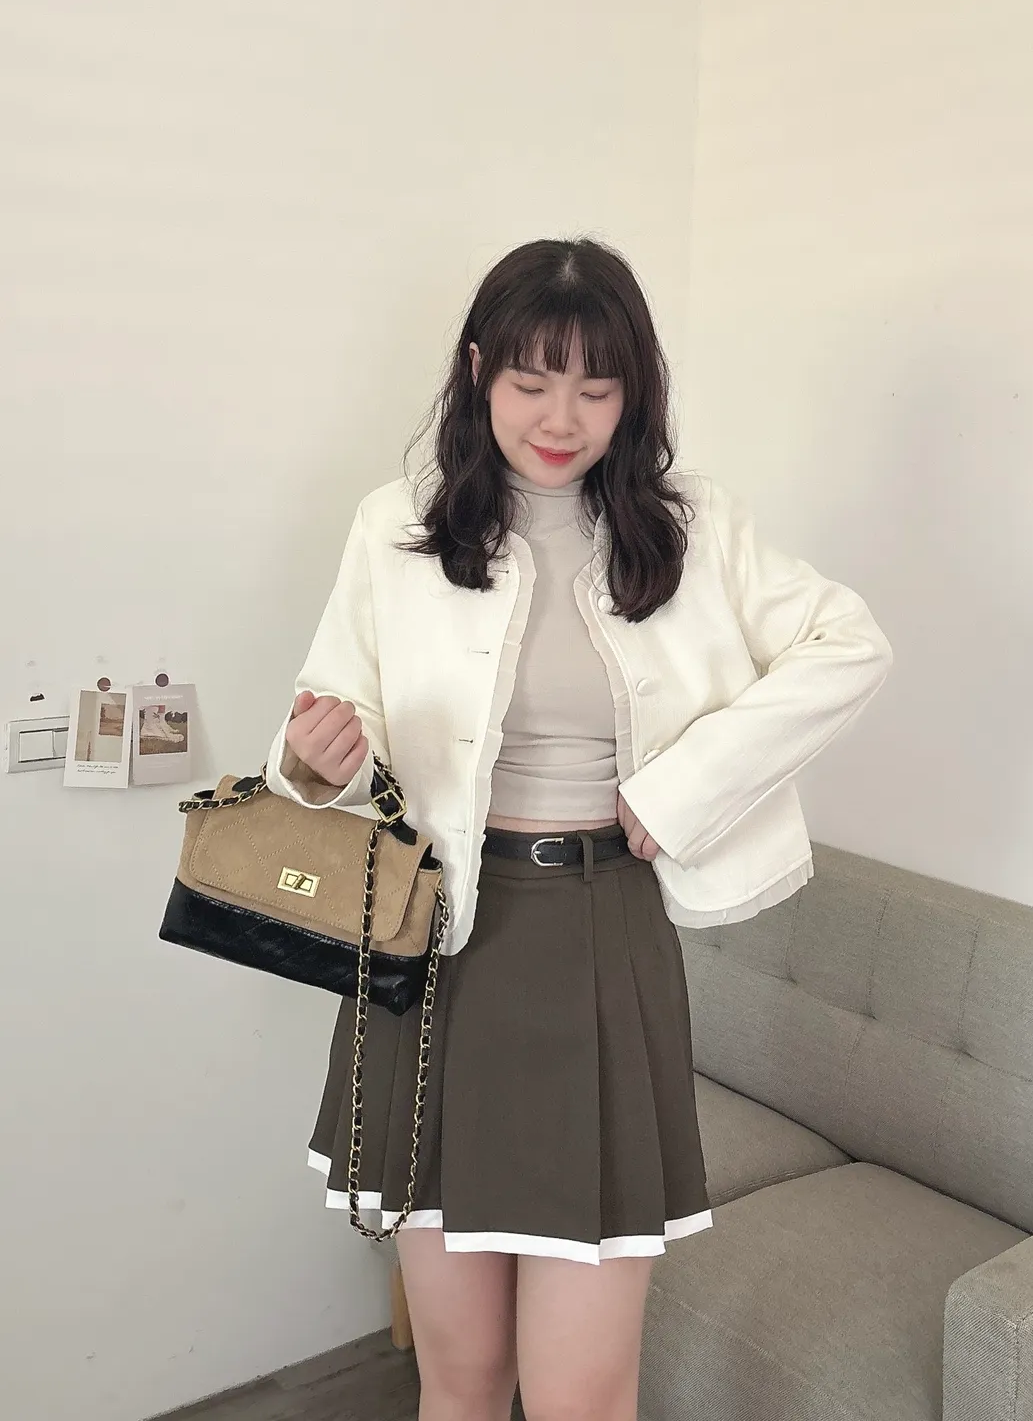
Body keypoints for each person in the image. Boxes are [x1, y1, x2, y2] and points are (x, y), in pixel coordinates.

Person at [265, 238, 892, 1421]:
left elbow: (849, 644)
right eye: (531, 382)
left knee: (583, 1393)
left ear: (632, 393)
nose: (562, 419)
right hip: (432, 948)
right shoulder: (395, 528)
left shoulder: (693, 527)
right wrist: (316, 759)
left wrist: (684, 789)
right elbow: (331, 726)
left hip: (605, 941)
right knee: (459, 1378)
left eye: (597, 389)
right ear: (478, 372)